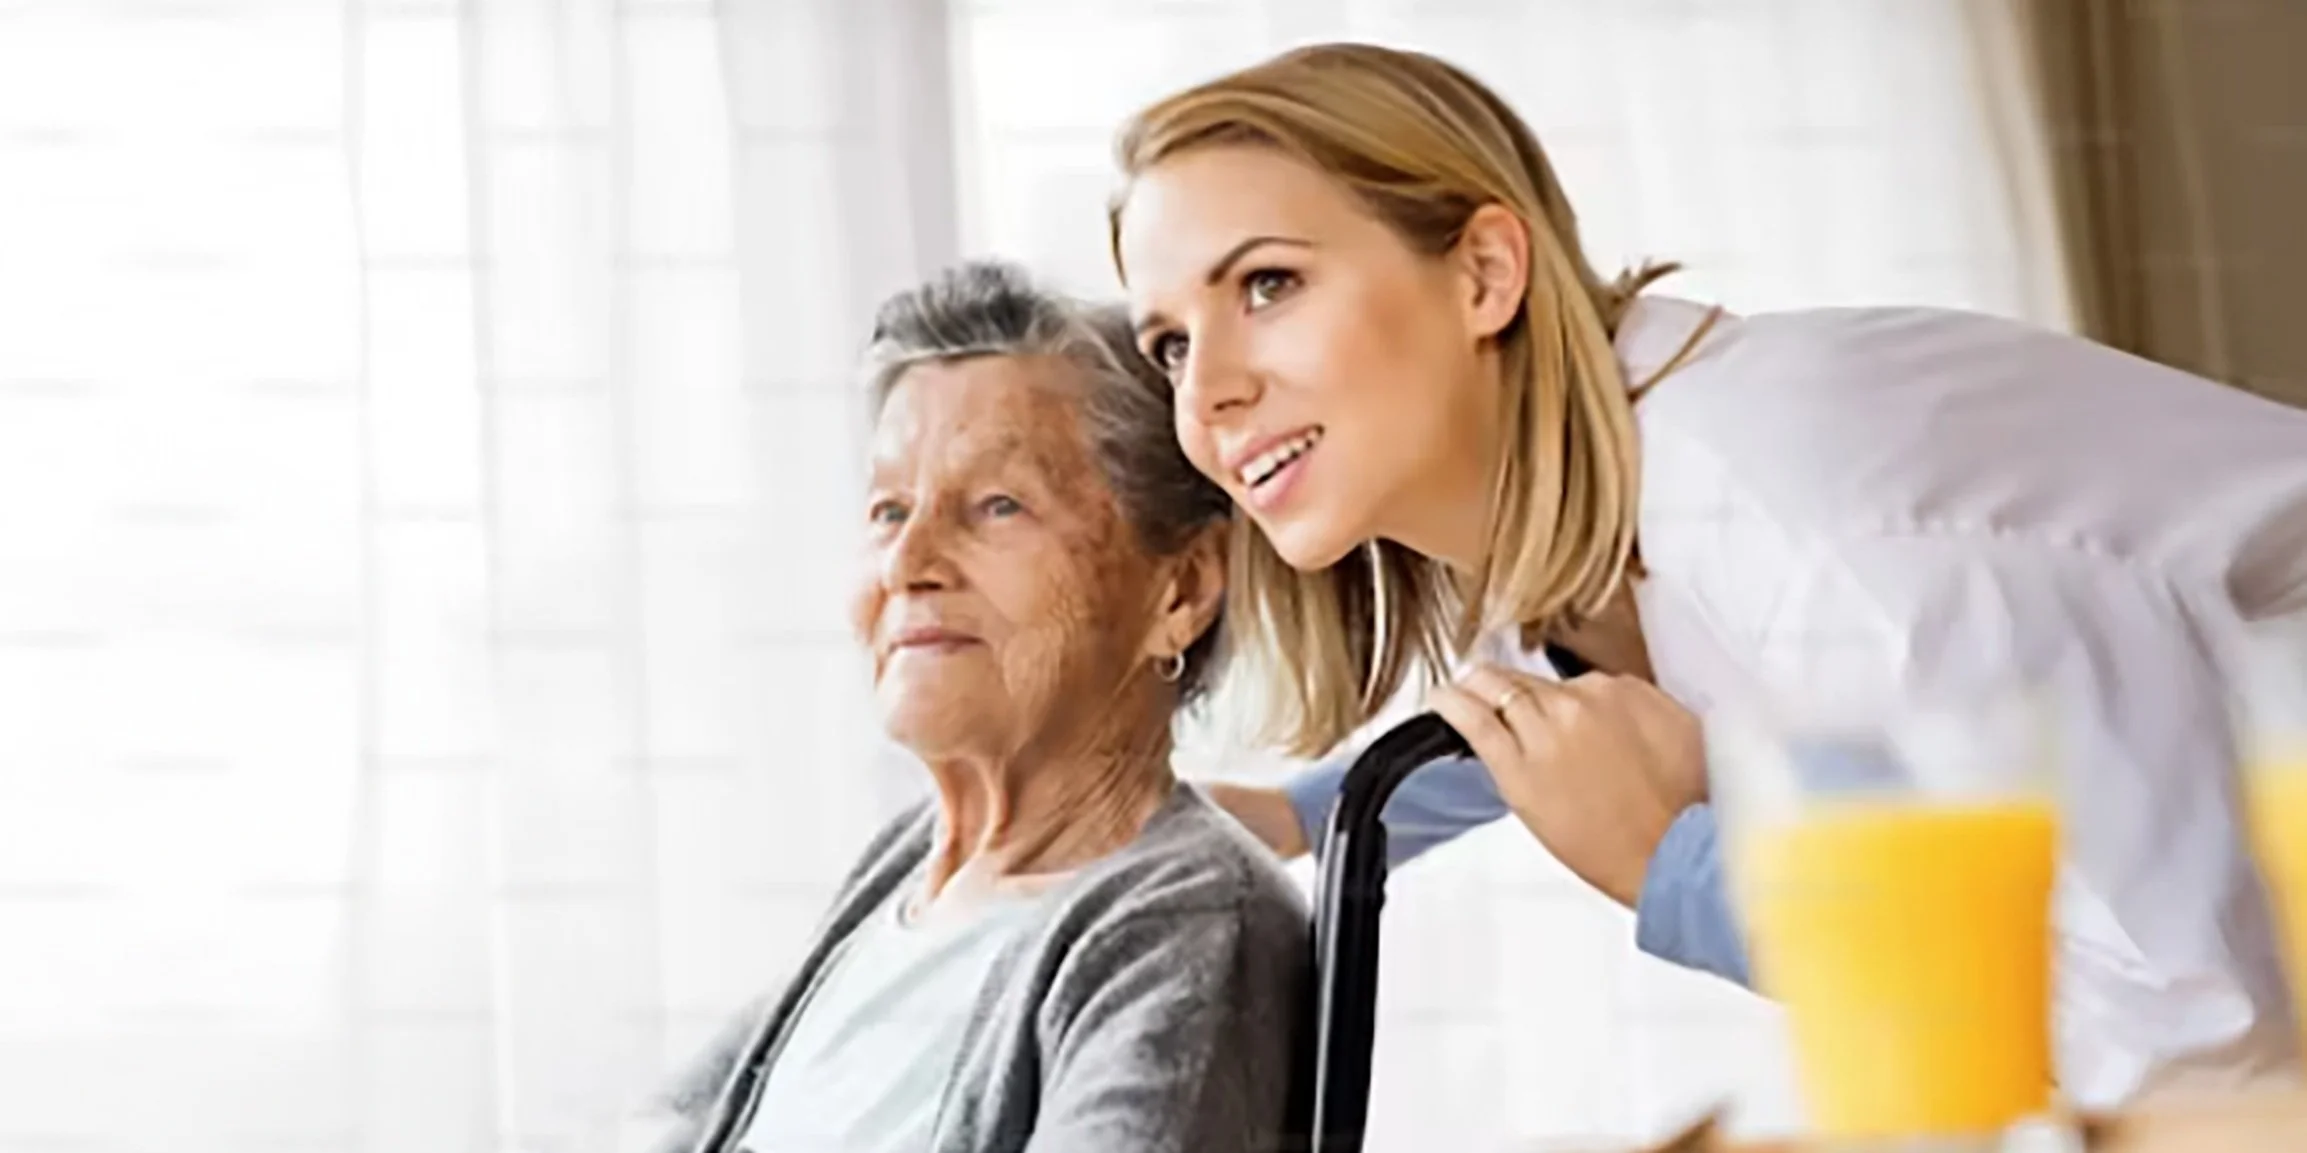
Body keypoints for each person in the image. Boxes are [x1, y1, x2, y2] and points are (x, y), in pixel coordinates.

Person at [1107, 41, 2307, 1106]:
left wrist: (1684, 872)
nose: (1205, 393)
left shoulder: (1808, 517)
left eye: (1267, 284)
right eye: (1168, 342)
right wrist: (1292, 818)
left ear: (1483, 274)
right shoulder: (1603, 518)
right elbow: (1564, 702)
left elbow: (2202, 1053)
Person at [630, 261, 1306, 1153]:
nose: (908, 561)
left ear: (1178, 588)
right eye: (886, 508)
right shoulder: (916, 868)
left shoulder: (1185, 925)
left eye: (996, 505)